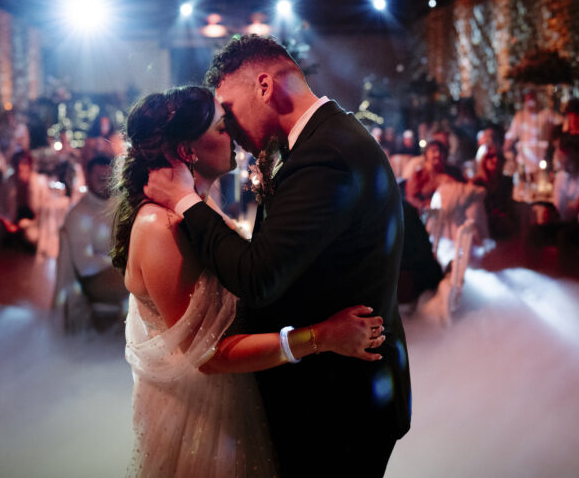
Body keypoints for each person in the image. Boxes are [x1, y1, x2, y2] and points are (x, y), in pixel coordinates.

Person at [145, 36, 411, 477]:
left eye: (228, 109)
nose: (226, 126)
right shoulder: (320, 140)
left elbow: (258, 278)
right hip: (328, 395)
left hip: (336, 410)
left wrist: (186, 201)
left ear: (265, 85)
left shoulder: (327, 154)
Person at [53, 154, 126, 333]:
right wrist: (122, 263)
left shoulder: (118, 205)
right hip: (93, 279)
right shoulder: (79, 214)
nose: (104, 183)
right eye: (99, 178)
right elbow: (85, 265)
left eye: (108, 178)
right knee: (140, 288)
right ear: (88, 177)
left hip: (118, 271)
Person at [405, 139, 462, 215]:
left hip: (452, 212)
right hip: (427, 215)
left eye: (441, 152)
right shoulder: (419, 174)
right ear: (426, 154)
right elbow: (410, 197)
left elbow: (463, 189)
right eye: (433, 151)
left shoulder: (453, 172)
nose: (438, 154)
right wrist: (423, 206)